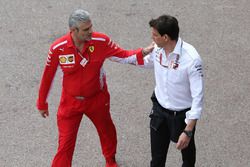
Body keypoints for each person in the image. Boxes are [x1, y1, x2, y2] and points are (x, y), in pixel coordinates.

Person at [36, 9, 153, 167]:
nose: (91, 31)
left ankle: (110, 160)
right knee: (65, 145)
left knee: (107, 131)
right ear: (73, 31)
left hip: (97, 99)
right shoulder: (58, 48)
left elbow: (123, 56)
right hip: (70, 103)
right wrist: (42, 102)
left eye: (91, 27)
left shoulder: (101, 41)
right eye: (86, 29)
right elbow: (48, 75)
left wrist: (143, 51)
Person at [139, 15, 204, 167]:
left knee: (187, 159)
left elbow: (198, 97)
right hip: (159, 112)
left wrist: (188, 131)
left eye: (155, 35)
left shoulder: (192, 60)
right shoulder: (157, 49)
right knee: (156, 160)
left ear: (166, 37)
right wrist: (114, 54)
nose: (152, 38)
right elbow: (142, 61)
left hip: (182, 116)